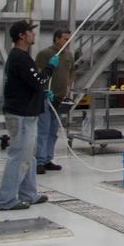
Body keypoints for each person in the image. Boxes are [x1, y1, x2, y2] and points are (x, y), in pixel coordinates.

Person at [0, 20, 56, 210]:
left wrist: (40, 94)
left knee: (29, 156)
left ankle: (29, 194)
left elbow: (29, 84)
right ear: (22, 35)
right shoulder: (20, 58)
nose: (33, 34)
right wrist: (50, 68)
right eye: (30, 31)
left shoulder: (21, 58)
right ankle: (5, 200)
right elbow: (38, 80)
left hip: (27, 113)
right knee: (19, 156)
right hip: (20, 115)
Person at [35, 29, 74, 173]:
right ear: (57, 39)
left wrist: (68, 85)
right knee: (43, 130)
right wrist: (43, 89)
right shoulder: (45, 54)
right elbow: (38, 73)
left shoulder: (68, 56)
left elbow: (72, 72)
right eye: (65, 39)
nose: (67, 42)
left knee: (53, 131)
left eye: (69, 39)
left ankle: (47, 159)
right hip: (45, 97)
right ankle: (39, 160)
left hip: (59, 98)